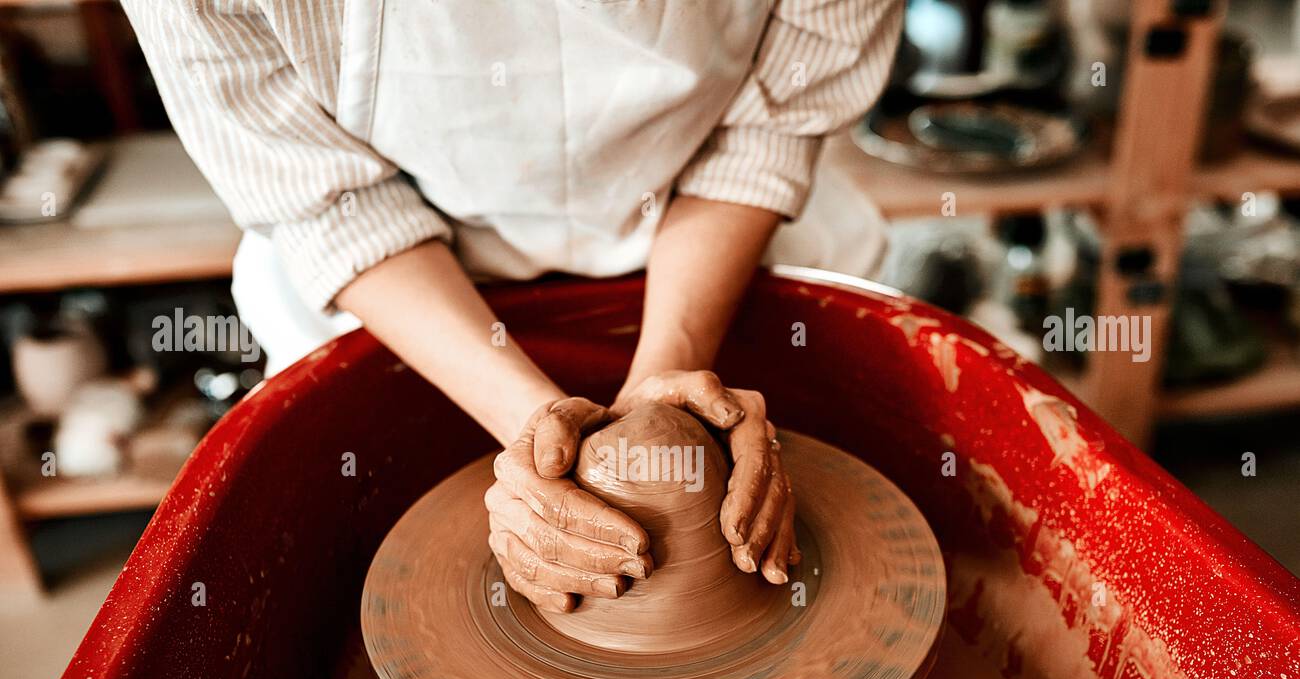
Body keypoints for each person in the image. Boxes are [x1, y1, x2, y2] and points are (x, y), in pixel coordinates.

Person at [122, 0, 903, 612]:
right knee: (329, 562)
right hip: (399, 276)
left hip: (718, 228)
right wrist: (537, 432)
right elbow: (330, 200)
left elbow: (771, 120)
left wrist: (661, 389)